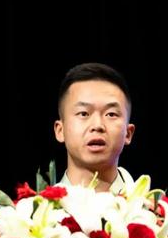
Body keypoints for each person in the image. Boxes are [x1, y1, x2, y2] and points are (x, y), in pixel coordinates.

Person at [53, 63, 136, 193]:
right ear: (60, 130)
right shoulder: (36, 206)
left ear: (128, 133)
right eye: (83, 113)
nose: (97, 125)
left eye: (111, 114)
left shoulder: (152, 206)